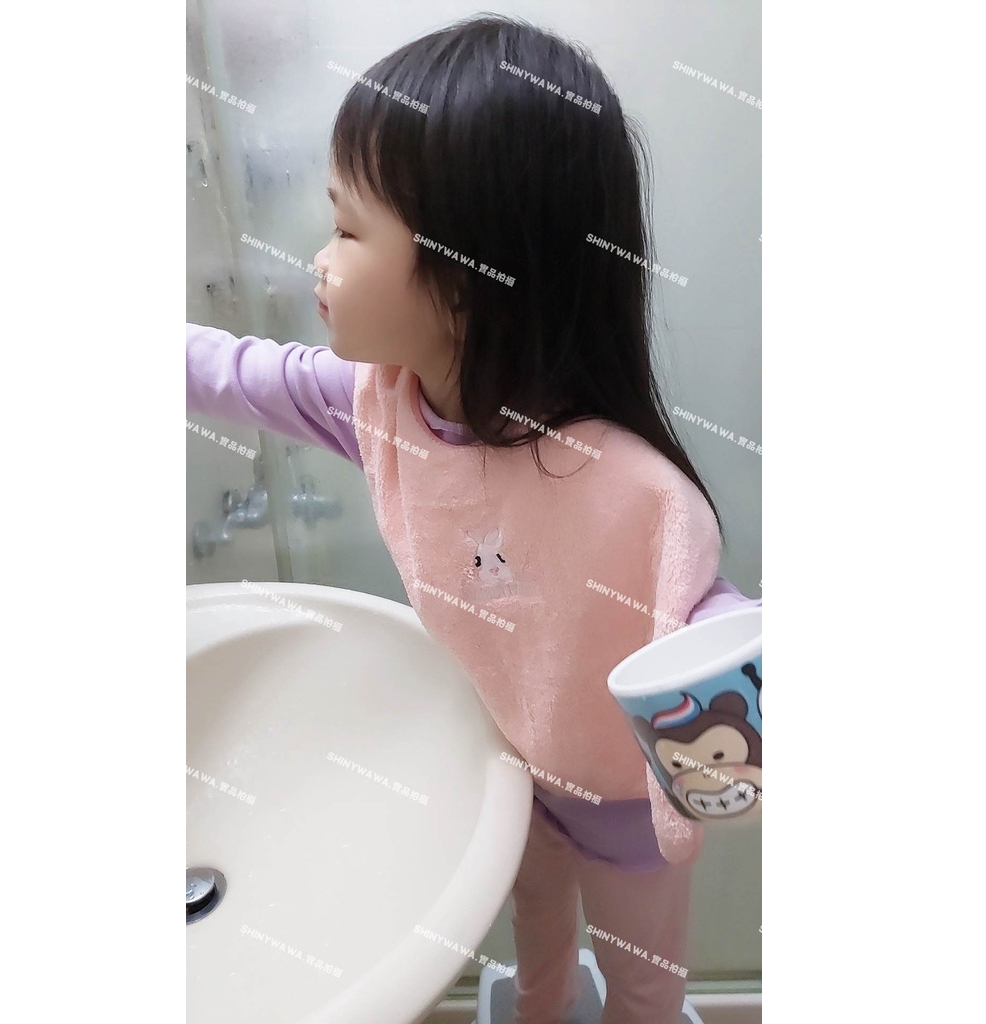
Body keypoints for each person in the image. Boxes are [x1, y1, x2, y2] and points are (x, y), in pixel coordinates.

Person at [187, 14, 759, 1022]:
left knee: (641, 985)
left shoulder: (626, 486)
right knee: (537, 942)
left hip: (624, 798)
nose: (316, 262)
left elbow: (701, 616)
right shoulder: (375, 405)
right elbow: (238, 372)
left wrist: (743, 660)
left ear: (462, 281)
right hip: (511, 768)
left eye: (346, 231)